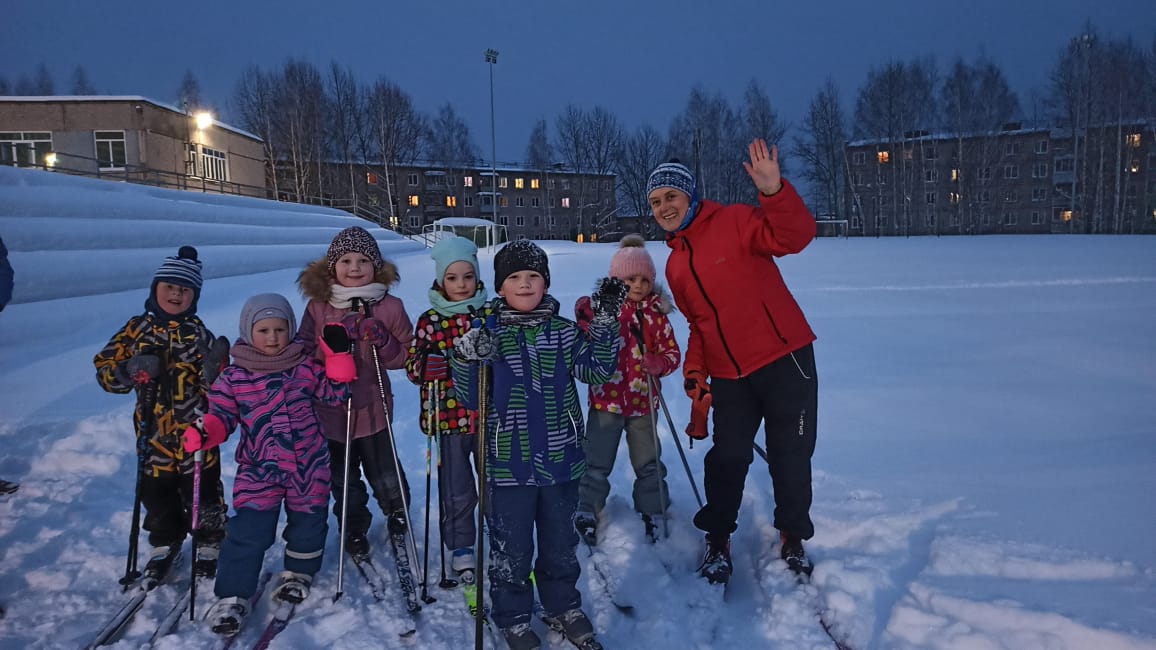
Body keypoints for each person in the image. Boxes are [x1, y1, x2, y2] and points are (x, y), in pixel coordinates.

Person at [649, 139, 819, 585]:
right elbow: (700, 326)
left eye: (671, 196)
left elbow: (794, 237)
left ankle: (792, 536)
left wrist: (773, 190)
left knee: (791, 455)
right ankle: (718, 540)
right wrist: (694, 370)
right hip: (729, 374)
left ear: (690, 196)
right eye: (655, 201)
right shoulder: (675, 267)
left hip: (785, 358)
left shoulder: (737, 220)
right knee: (727, 458)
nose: (664, 206)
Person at [452, 240, 626, 650]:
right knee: (511, 548)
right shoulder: (488, 336)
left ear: (546, 283)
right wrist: (465, 358)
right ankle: (511, 615)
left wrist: (603, 322)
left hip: (561, 461)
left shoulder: (565, 333)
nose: (525, 284)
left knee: (560, 543)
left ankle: (562, 604)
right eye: (515, 277)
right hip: (508, 465)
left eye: (533, 276)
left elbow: (598, 368)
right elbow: (469, 398)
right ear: (500, 287)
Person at [185, 293, 354, 634]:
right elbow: (222, 415)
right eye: (264, 330)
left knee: (308, 524)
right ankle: (233, 592)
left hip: (309, 465)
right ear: (249, 332)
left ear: (290, 330)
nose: (273, 337)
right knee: (248, 530)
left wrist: (339, 358)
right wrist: (208, 431)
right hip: (259, 468)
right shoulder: (235, 377)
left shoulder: (304, 366)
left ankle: (298, 572)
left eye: (280, 329)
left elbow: (336, 395)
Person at [93, 246, 229, 582]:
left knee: (203, 487)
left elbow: (217, 385)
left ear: (194, 296)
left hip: (196, 430)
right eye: (170, 287)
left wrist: (215, 374)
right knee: (157, 491)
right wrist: (127, 370)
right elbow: (104, 368)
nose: (176, 294)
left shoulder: (197, 333)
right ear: (156, 289)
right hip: (153, 432)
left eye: (184, 290)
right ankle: (165, 541)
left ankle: (209, 540)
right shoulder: (136, 329)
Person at [298, 226, 416, 559]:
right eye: (346, 260)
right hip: (331, 413)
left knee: (384, 471)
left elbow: (406, 356)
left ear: (375, 266)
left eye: (364, 260)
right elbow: (303, 353)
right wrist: (328, 360)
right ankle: (353, 525)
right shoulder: (319, 307)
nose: (355, 267)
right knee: (343, 477)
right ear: (332, 266)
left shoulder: (389, 306)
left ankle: (396, 510)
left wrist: (382, 339)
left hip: (374, 409)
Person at [573, 234, 681, 544]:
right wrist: (590, 308)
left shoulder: (657, 317)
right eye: (629, 279)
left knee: (648, 460)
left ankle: (654, 509)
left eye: (644, 279)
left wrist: (659, 363)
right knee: (596, 459)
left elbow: (673, 353)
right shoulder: (607, 311)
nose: (637, 285)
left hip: (643, 403)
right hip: (605, 402)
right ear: (615, 281)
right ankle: (586, 508)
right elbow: (584, 321)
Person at [403, 236, 488, 584]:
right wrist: (424, 366)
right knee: (457, 487)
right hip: (448, 417)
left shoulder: (489, 313)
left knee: (496, 482)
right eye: (452, 278)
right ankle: (461, 544)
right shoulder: (430, 319)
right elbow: (412, 365)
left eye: (468, 276)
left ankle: (502, 534)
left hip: (488, 415)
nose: (461, 285)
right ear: (441, 280)